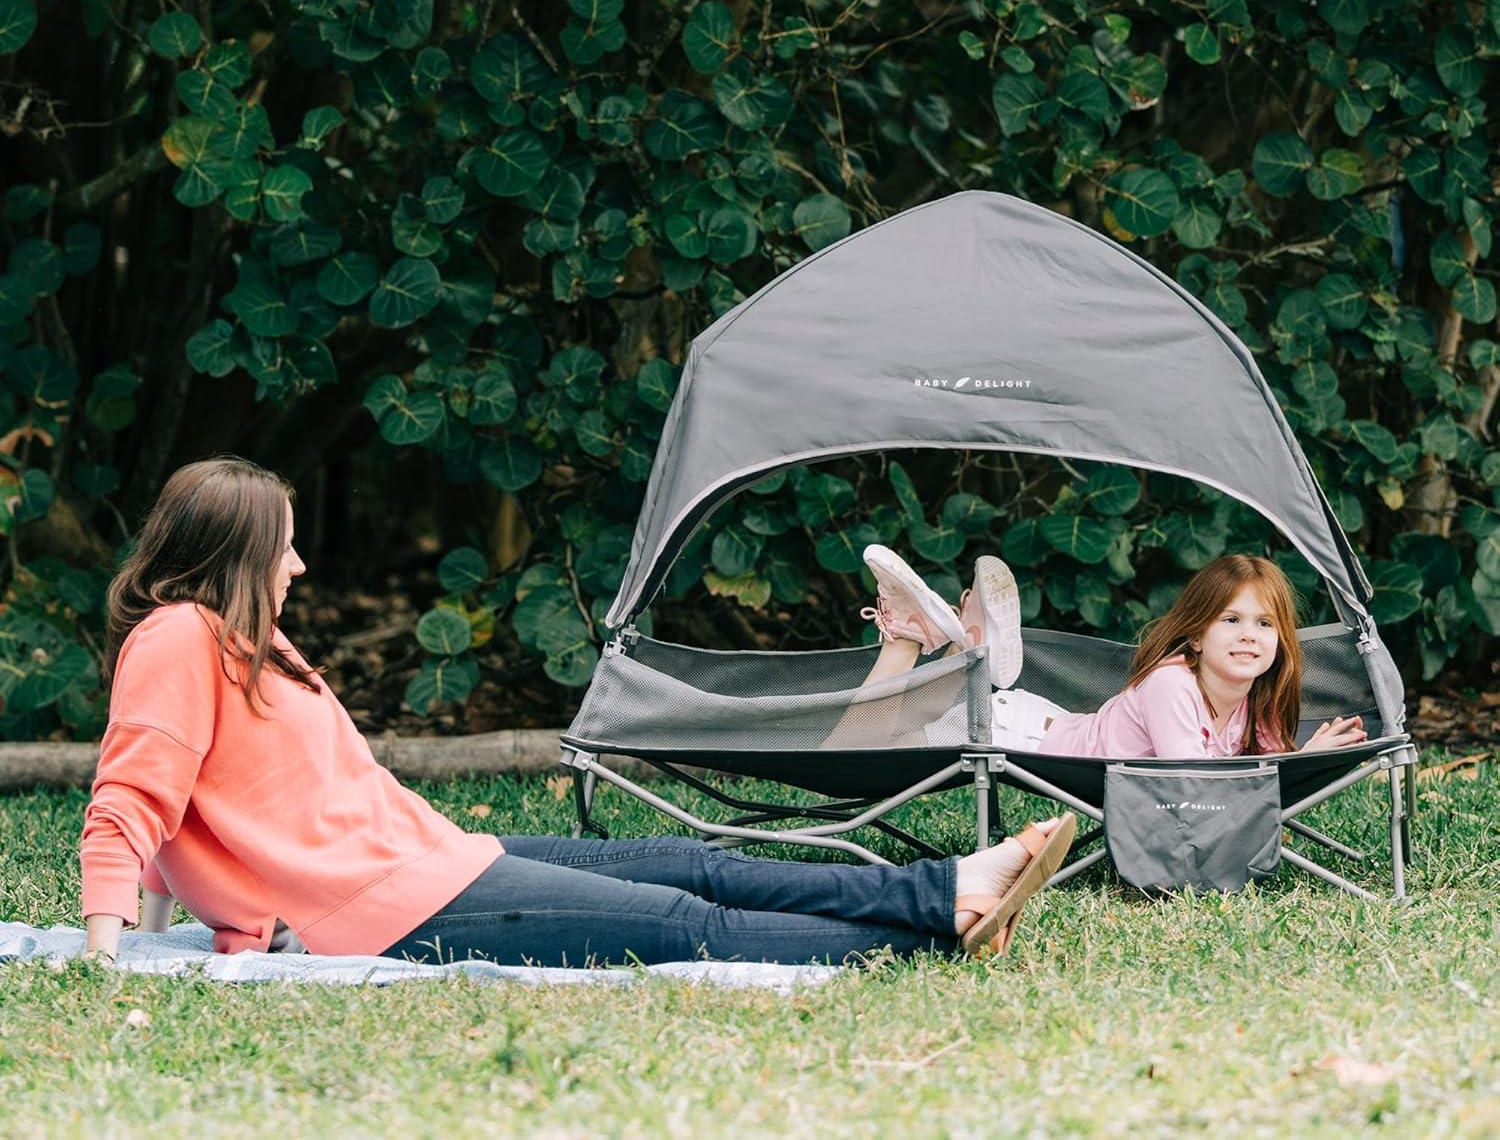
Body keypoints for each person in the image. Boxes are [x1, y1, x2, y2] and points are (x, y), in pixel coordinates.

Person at [78, 457, 1076, 970]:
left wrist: (168, 927)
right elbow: (133, 800)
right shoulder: (179, 638)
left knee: (701, 864)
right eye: (284, 548)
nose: (298, 565)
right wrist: (111, 952)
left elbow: (181, 814)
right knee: (692, 925)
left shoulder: (245, 641)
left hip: (429, 862)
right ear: (235, 554)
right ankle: (932, 931)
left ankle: (939, 887)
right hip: (383, 910)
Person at [857, 544, 1369, 758]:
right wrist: (1297, 764)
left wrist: (1303, 759)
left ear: (1280, 641)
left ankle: (964, 645)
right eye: (1230, 620)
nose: (1248, 635)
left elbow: (1257, 794)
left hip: (1047, 726)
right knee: (856, 746)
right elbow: (1197, 789)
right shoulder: (1174, 683)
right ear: (1195, 635)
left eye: (1265, 624)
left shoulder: (1256, 699)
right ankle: (911, 635)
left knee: (877, 734)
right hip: (1013, 734)